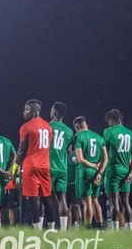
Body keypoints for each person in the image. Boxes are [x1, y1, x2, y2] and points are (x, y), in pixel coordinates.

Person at [14, 99, 58, 231]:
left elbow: (21, 151)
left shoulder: (26, 127)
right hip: (45, 166)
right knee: (47, 198)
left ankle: (38, 231)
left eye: (27, 109)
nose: (24, 112)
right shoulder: (48, 126)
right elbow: (47, 148)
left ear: (35, 111)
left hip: (31, 166)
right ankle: (51, 229)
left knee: (32, 199)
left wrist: (15, 167)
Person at [102, 109, 132, 230]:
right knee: (125, 201)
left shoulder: (108, 131)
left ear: (113, 119)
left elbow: (104, 152)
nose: (108, 123)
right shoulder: (131, 133)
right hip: (126, 170)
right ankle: (129, 228)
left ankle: (115, 229)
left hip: (113, 169)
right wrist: (131, 172)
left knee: (114, 201)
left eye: (109, 121)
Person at [72, 116, 107, 228]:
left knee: (87, 201)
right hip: (96, 172)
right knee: (95, 200)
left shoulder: (78, 136)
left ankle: (88, 227)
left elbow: (80, 159)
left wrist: (93, 165)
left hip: (84, 171)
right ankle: (100, 227)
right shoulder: (99, 137)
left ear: (77, 127)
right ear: (86, 125)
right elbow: (106, 158)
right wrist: (99, 172)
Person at [49, 102, 74, 231]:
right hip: (62, 168)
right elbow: (69, 150)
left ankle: (49, 228)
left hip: (48, 167)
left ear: (54, 112)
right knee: (62, 198)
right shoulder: (69, 130)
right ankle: (63, 230)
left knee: (45, 198)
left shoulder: (47, 127)